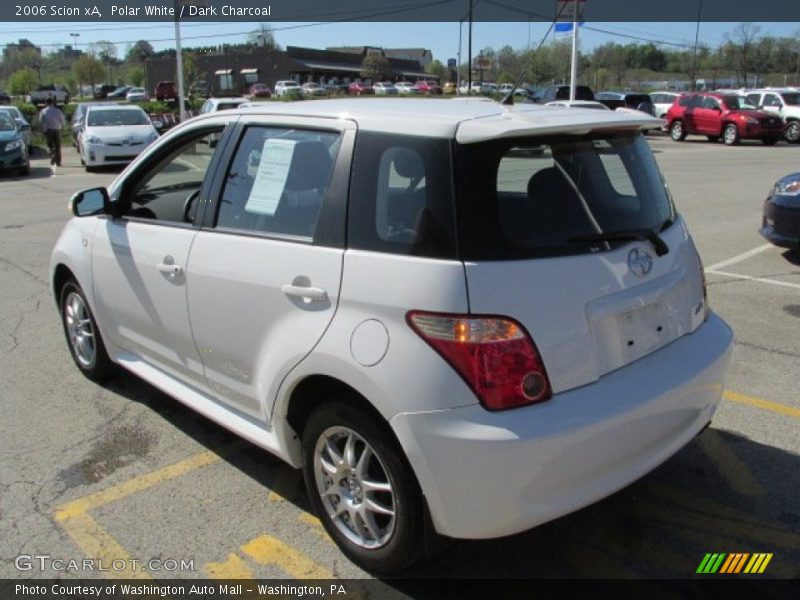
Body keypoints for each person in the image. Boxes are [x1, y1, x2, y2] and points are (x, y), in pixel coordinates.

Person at [39, 97, 65, 167]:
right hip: (57, 129)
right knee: (58, 146)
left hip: (48, 130)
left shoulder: (43, 111)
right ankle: (58, 162)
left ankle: (52, 154)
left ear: (46, 103)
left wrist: (43, 130)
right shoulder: (58, 111)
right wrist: (62, 127)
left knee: (49, 145)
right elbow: (63, 121)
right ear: (53, 103)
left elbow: (41, 121)